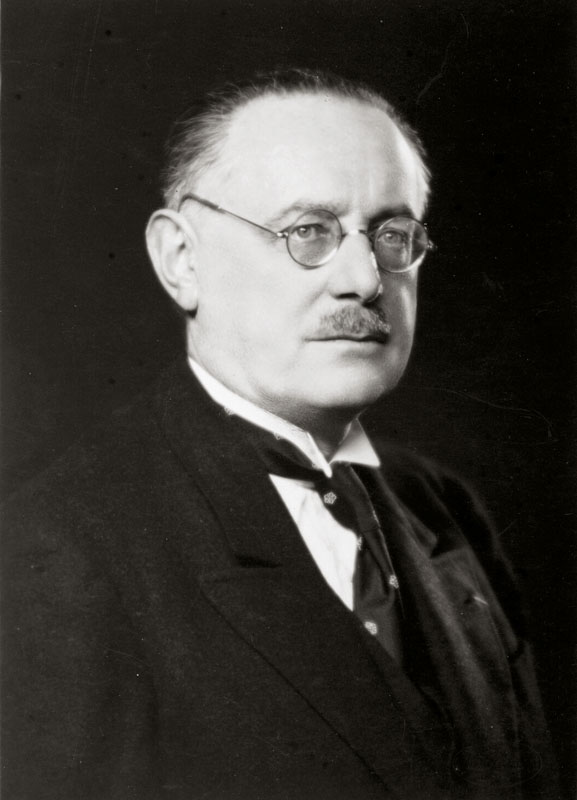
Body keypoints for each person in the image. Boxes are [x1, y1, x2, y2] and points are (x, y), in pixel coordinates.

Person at [3, 69, 557, 800]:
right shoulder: (58, 553)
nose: (364, 279)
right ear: (182, 260)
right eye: (307, 232)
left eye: (393, 236)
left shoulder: (446, 510)